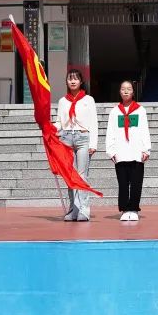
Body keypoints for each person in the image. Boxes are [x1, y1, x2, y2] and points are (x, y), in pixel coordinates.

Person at [56, 69, 98, 222]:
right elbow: (59, 122)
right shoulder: (62, 101)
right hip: (66, 138)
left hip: (83, 138)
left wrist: (93, 143)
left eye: (75, 79)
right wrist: (49, 128)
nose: (72, 81)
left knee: (81, 175)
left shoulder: (88, 99)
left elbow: (93, 122)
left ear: (81, 82)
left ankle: (83, 210)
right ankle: (73, 209)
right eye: (69, 79)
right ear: (66, 82)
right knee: (69, 176)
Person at [105, 80, 150, 222]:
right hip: (121, 152)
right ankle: (125, 209)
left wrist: (146, 149)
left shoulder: (140, 110)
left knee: (136, 183)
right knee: (123, 183)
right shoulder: (114, 112)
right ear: (119, 92)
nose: (126, 91)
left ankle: (134, 209)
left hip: (136, 153)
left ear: (133, 91)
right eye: (123, 88)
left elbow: (144, 131)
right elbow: (110, 132)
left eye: (129, 88)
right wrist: (111, 151)